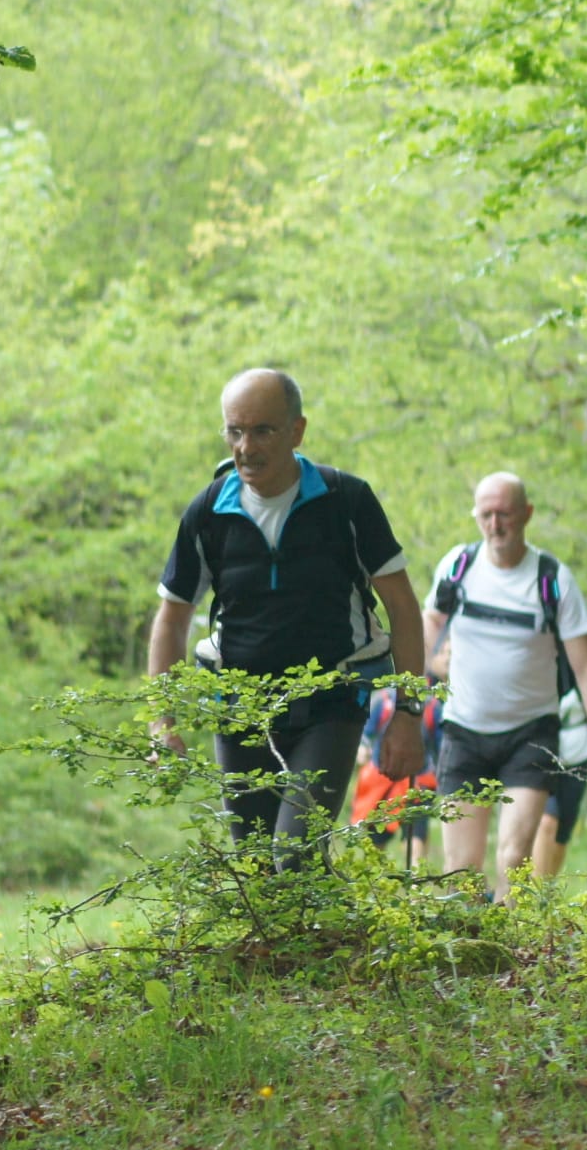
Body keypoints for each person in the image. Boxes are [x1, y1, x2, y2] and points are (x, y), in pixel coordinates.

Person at [147, 368, 426, 868]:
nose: (246, 447)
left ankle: (341, 938)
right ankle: (333, 940)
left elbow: (404, 609)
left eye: (263, 430)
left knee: (293, 856)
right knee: (257, 866)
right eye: (234, 431)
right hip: (240, 710)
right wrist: (160, 720)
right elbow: (171, 619)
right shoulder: (209, 512)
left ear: (298, 431)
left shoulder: (346, 502)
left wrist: (408, 714)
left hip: (331, 704)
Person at [423, 472, 587, 901]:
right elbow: (427, 627)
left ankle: (512, 962)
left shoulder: (553, 580)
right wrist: (405, 696)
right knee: (459, 871)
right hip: (463, 730)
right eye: (486, 515)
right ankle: (472, 957)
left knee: (513, 860)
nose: (495, 525)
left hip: (530, 734)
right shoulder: (457, 567)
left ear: (527, 514)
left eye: (505, 515)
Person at [350, 682, 442, 867]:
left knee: (416, 836)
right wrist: (362, 749)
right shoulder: (383, 702)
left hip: (419, 783)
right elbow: (367, 734)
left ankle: (416, 888)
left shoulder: (432, 706)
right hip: (384, 781)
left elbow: (441, 746)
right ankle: (375, 883)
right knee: (377, 839)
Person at [533, 683, 587, 876]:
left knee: (562, 833)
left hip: (578, 755)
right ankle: (536, 896)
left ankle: (548, 894)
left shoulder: (581, 669)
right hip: (541, 755)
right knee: (547, 822)